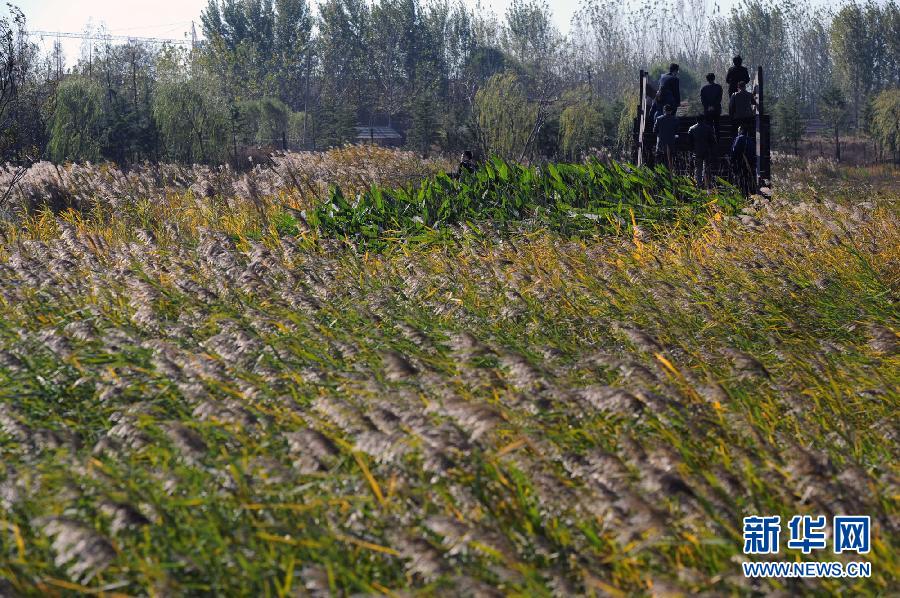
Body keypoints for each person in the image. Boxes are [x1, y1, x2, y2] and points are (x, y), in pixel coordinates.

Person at [688, 115, 718, 188]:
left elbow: (689, 141)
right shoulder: (708, 128)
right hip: (706, 151)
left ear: (696, 120)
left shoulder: (692, 129)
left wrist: (692, 150)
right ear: (704, 120)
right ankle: (707, 183)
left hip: (697, 151)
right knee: (707, 168)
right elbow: (713, 141)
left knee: (698, 169)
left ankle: (699, 183)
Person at [731, 125, 756, 196]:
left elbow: (734, 150)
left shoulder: (739, 138)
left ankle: (741, 193)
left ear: (741, 130)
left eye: (738, 130)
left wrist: (732, 160)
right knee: (747, 178)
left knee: (740, 178)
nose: (738, 131)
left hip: (741, 162)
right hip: (750, 162)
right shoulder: (750, 140)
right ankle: (749, 192)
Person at [653, 104, 678, 168]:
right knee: (669, 161)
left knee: (659, 162)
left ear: (664, 110)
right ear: (671, 111)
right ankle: (669, 175)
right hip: (671, 143)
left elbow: (654, 130)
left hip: (661, 143)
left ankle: (659, 175)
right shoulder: (675, 120)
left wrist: (660, 134)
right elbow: (677, 131)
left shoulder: (659, 119)